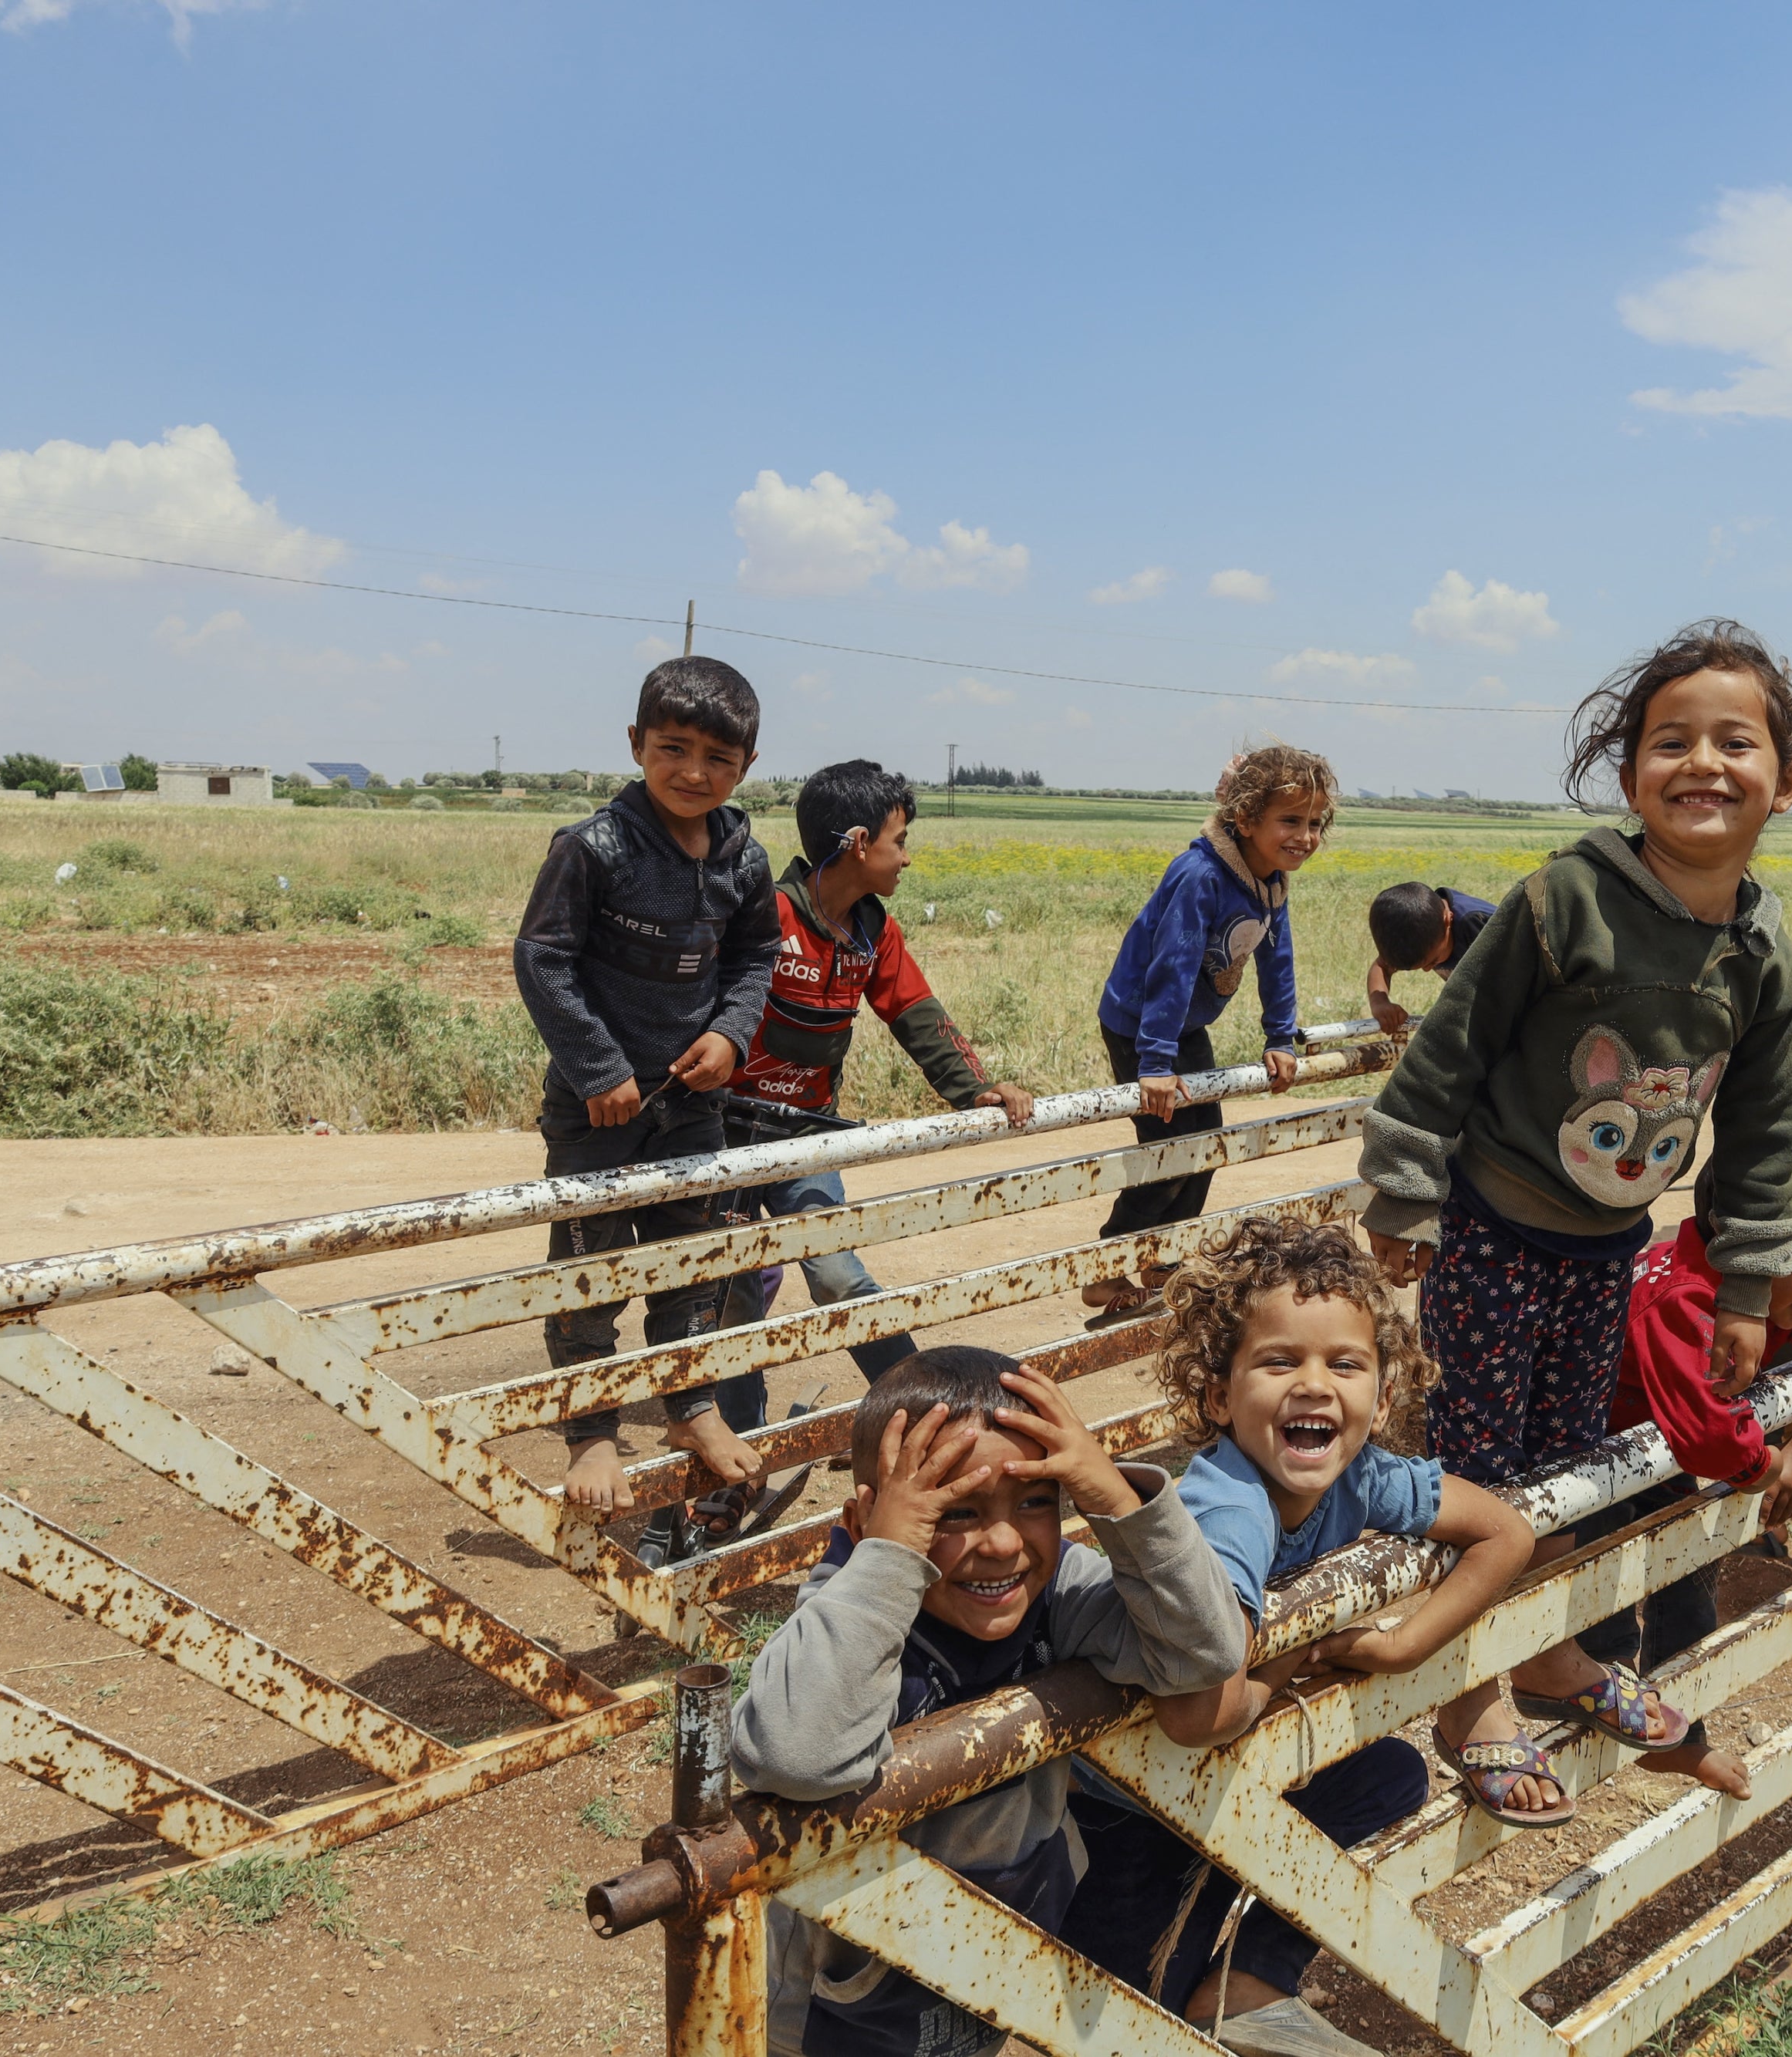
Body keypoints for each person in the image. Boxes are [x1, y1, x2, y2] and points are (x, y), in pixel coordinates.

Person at [1359, 617, 1792, 1821]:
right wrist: (1406, 1184)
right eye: (1672, 742)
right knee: (1478, 1456)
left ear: (1787, 778)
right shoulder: (1569, 898)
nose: (1703, 763)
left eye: (1736, 741)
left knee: (1565, 1459)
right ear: (1629, 777)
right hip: (1499, 1222)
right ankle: (1465, 1687)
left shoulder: (1766, 945)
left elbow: (1767, 1132)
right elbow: (1453, 1041)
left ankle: (1551, 1649)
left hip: (1609, 1241)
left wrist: (1749, 1289)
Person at [1058, 1216, 1531, 2052]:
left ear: (1383, 1398)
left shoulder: (1364, 1472)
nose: (1314, 1384)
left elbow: (1506, 1533)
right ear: (1217, 1397)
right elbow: (1194, 1714)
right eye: (1279, 1362)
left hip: (1217, 1758)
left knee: (1383, 1776)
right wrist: (1282, 1667)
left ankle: (1244, 1981)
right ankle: (1201, 1985)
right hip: (1126, 1790)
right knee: (1116, 2014)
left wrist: (1407, 1645)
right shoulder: (1228, 1507)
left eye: (1343, 1364)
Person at [731, 1347, 1250, 2057]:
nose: (1003, 1542)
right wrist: (889, 1557)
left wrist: (1115, 1497)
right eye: (953, 1509)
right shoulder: (848, 1614)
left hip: (990, 1969)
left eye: (1035, 1500)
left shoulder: (1056, 1595)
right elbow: (796, 1753)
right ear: (865, 1519)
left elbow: (1205, 1652)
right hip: (836, 2009)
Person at [512, 656, 782, 1516]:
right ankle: (591, 1431)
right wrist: (599, 1069)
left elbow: (754, 958)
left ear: (746, 766)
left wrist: (729, 1037)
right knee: (589, 1267)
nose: (694, 772)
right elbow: (542, 959)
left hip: (692, 1101)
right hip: (598, 1107)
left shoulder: (743, 857)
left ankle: (690, 1409)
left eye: (719, 758)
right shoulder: (594, 848)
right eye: (673, 748)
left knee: (688, 1265)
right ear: (636, 744)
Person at [711, 759, 1035, 1435]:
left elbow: (916, 1011)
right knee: (731, 1299)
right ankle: (737, 1455)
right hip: (722, 1134)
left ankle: (926, 1418)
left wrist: (975, 1087)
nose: (907, 858)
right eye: (900, 840)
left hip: (807, 1135)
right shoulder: (765, 915)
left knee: (838, 1278)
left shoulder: (873, 932)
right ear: (859, 842)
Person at [1584, 1128, 1792, 1796]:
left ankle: (1676, 1735)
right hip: (1589, 1461)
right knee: (1595, 1592)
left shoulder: (1774, 1298)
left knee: (1689, 1573)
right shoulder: (1685, 1297)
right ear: (1742, 1246)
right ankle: (1600, 1715)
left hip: (1650, 1461)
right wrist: (1765, 1464)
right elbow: (1704, 1430)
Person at [1084, 746, 1332, 1322]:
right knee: (1168, 1148)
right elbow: (1170, 968)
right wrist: (1155, 1062)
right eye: (1290, 821)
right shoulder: (1201, 876)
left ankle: (1160, 1258)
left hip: (1184, 1026)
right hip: (1142, 1024)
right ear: (1245, 820)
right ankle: (1107, 1263)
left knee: (1206, 1143)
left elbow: (1279, 959)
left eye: (1314, 822)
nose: (1306, 836)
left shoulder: (1269, 882)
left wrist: (1279, 1037)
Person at [1364, 880, 1498, 1037]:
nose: (1427, 970)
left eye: (1433, 961)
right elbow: (1382, 966)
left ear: (1448, 920)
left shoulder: (1480, 926)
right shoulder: (1418, 930)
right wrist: (1379, 1002)